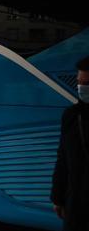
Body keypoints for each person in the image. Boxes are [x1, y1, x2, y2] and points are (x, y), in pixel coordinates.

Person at [51, 56, 89, 231]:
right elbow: (63, 158)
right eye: (79, 82)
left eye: (86, 84)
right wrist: (58, 198)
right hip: (77, 203)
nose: (81, 88)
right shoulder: (72, 115)